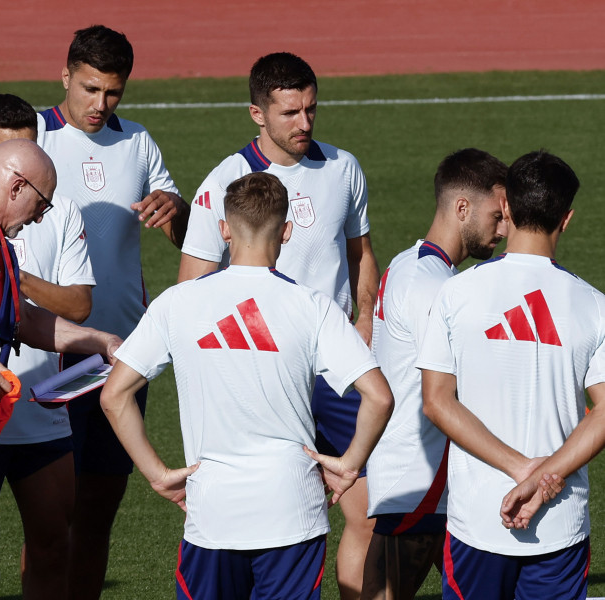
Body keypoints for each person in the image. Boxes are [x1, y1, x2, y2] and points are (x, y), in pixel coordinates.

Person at [101, 172, 393, 600]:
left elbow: (114, 395)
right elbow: (379, 396)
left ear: (223, 229)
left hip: (213, 514)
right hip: (293, 511)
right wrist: (349, 465)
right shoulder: (313, 306)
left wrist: (158, 474)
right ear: (287, 231)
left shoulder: (177, 303)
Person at [177, 51, 380, 599]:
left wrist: (363, 319)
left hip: (333, 372)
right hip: (262, 371)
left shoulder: (343, 168)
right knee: (257, 517)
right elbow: (191, 287)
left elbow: (361, 254)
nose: (305, 124)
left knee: (367, 516)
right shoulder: (225, 180)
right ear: (257, 114)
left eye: (311, 109)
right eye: (290, 113)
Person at [0, 138, 120, 600]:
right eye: (41, 203)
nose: (40, 215)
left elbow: (23, 319)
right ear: (17, 186)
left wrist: (100, 342)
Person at [35, 24, 190, 598]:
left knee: (100, 508)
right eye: (90, 88)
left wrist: (174, 207)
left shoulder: (137, 141)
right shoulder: (33, 138)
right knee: (49, 514)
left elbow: (184, 236)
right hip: (50, 350)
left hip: (125, 352)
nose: (100, 105)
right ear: (67, 76)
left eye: (113, 93)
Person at [417, 150, 602, 600]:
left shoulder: (455, 293)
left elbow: (437, 401)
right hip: (559, 524)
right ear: (567, 218)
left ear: (507, 209)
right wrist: (544, 479)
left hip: (479, 521)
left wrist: (521, 470)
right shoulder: (594, 305)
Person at [364, 149, 507, 600]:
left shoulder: (412, 264)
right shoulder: (435, 287)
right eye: (496, 216)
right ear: (462, 208)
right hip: (421, 477)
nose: (503, 231)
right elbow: (456, 385)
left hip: (409, 473)